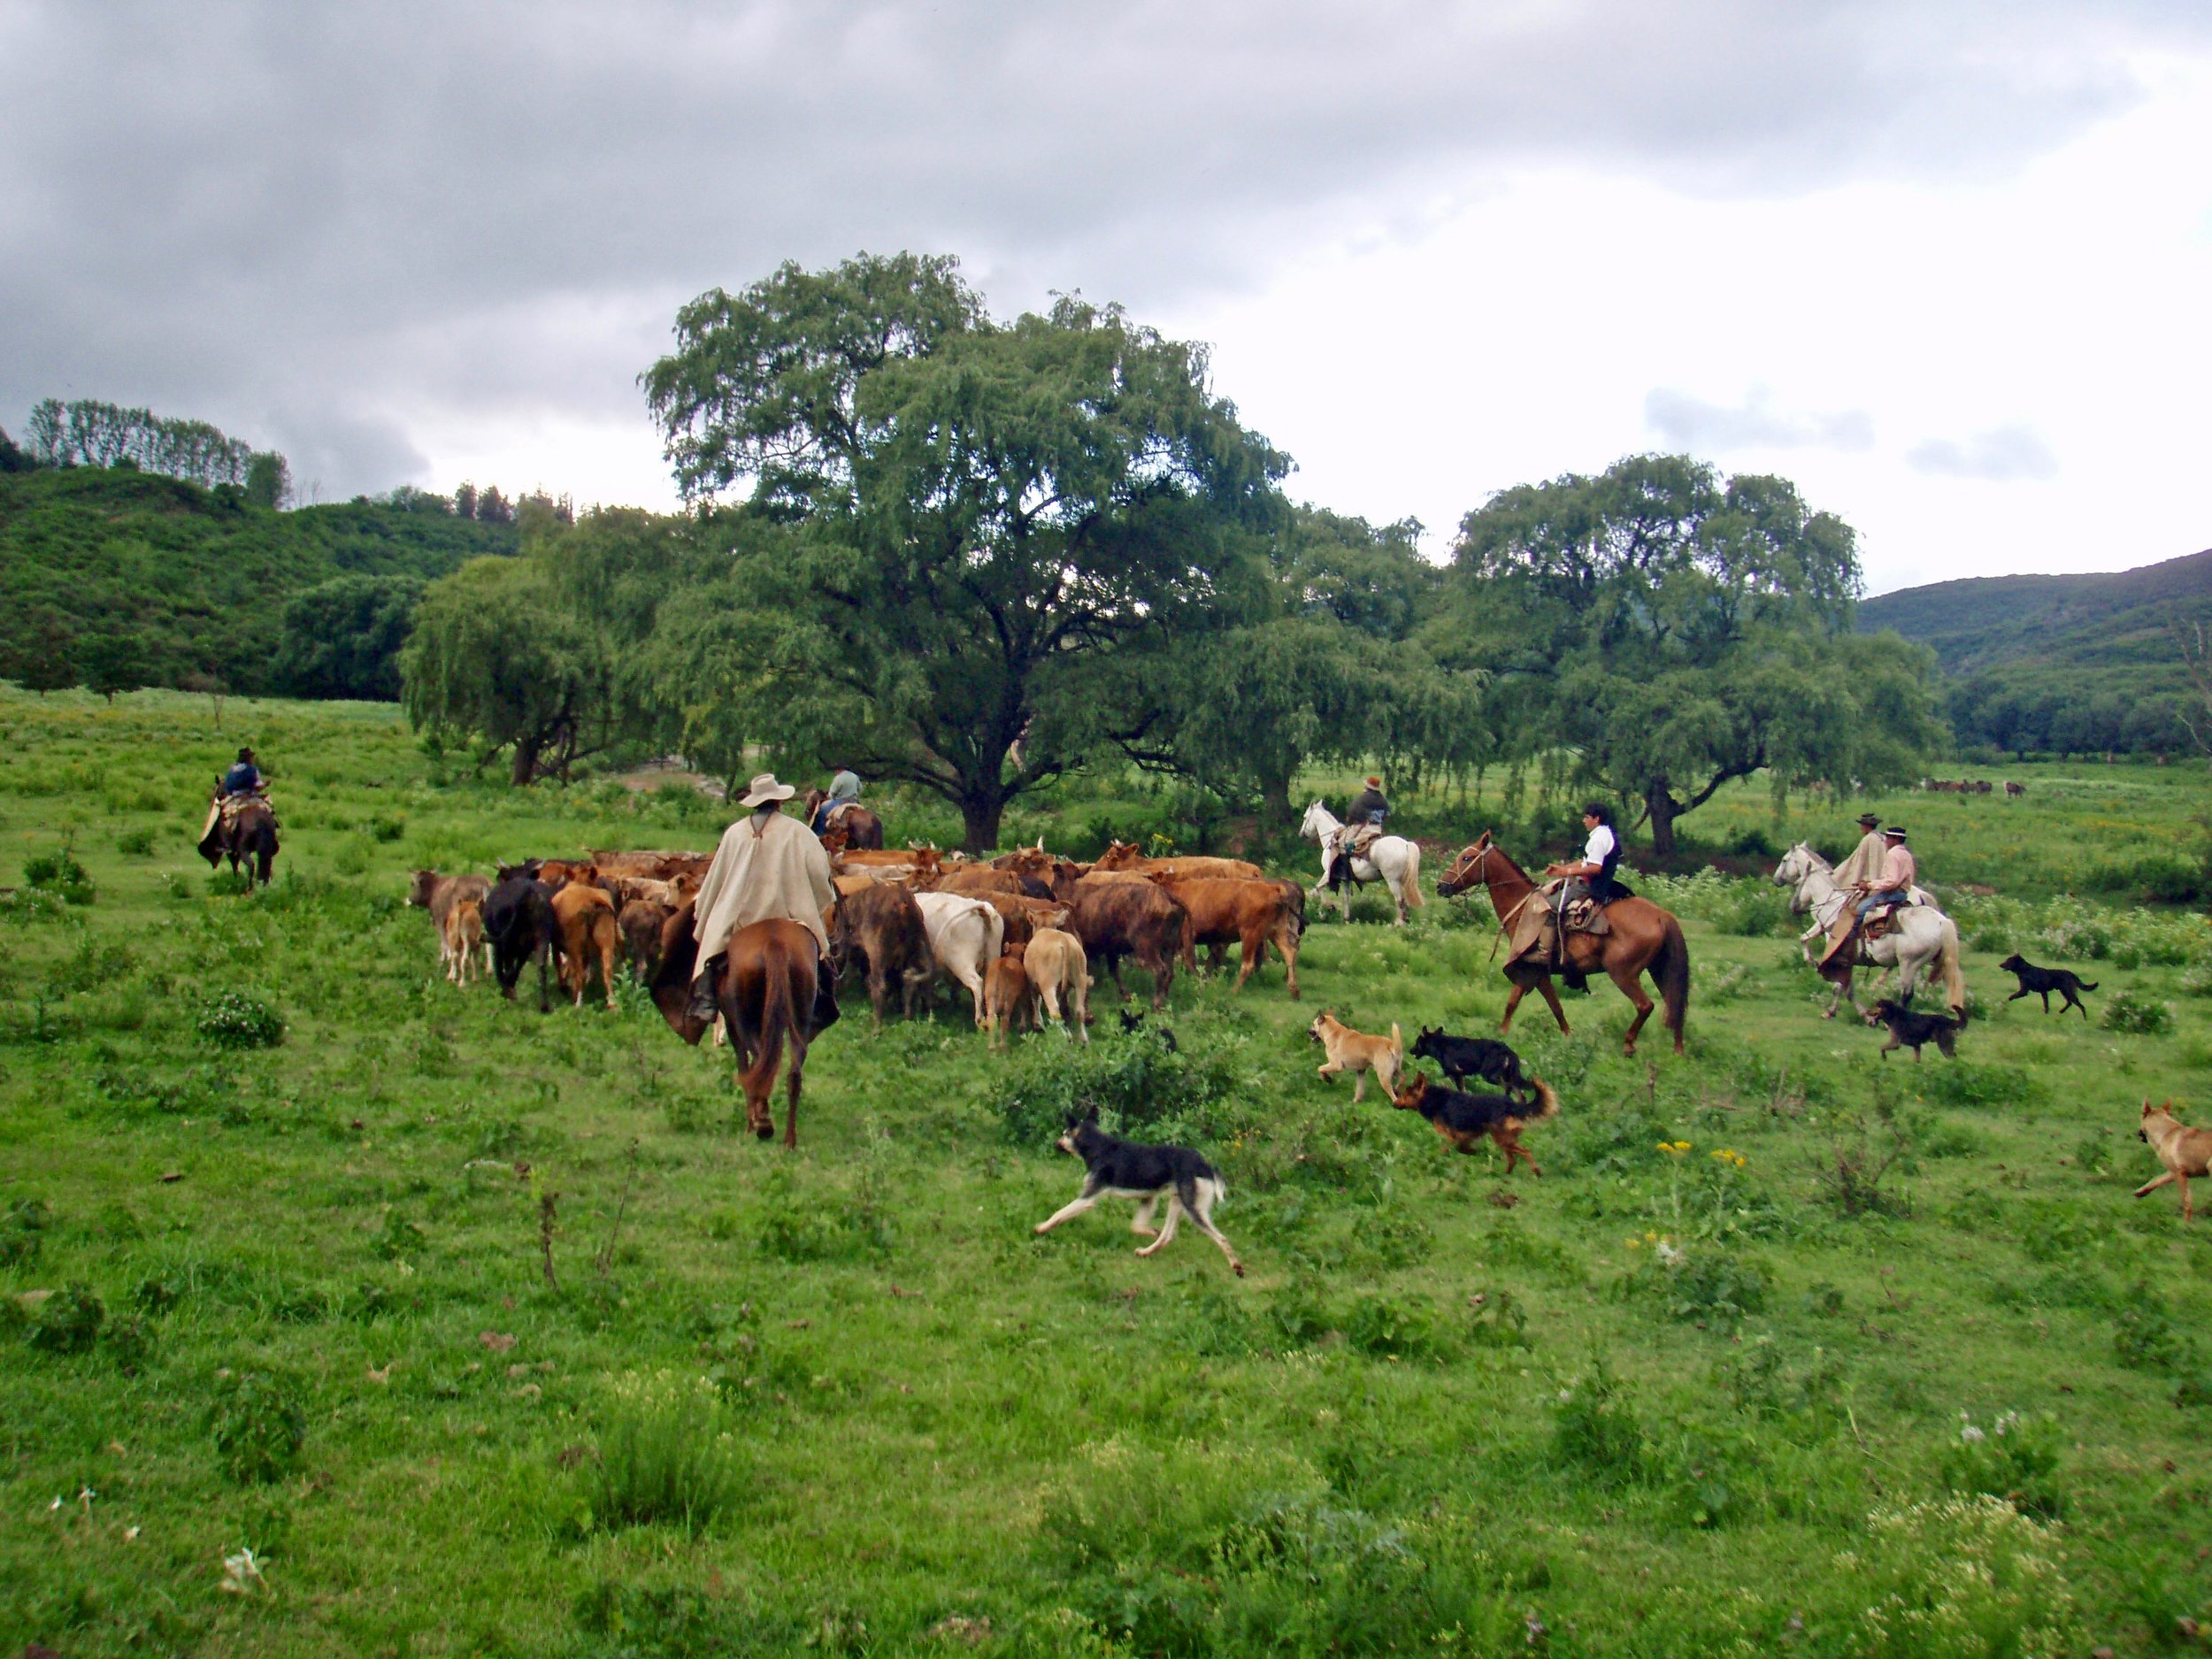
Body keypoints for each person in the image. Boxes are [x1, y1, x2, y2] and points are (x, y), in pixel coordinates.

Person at [687, 773, 841, 1030]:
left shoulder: (734, 833)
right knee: (820, 953)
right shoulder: (799, 832)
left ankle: (707, 999)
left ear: (754, 801)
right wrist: (817, 896)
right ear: (779, 801)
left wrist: (707, 906)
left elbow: (717, 877)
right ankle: (822, 1000)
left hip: (739, 917)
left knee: (712, 948)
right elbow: (818, 872)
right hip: (789, 913)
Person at [1822, 825, 1916, 970]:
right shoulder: (1907, 855)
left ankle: (1847, 949)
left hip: (1892, 893)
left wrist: (1869, 885)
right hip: (1903, 893)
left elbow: (1892, 881)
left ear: (1896, 839)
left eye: (1889, 838)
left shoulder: (1892, 854)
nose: (1886, 840)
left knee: (1858, 910)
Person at [1546, 803, 1624, 908]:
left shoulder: (1599, 839)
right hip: (1596, 883)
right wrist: (1561, 869)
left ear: (1596, 819)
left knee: (1550, 905)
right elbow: (1585, 863)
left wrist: (1568, 871)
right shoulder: (1604, 834)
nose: (1584, 821)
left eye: (1587, 817)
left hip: (1592, 887)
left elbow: (1595, 868)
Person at [1330, 776, 1389, 888]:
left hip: (1366, 828)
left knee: (1347, 844)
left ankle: (1344, 873)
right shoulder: (1383, 800)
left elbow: (1352, 813)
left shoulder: (1364, 799)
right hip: (1378, 828)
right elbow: (1387, 815)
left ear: (1368, 786)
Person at [201, 746, 270, 841]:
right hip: (251, 795)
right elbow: (257, 787)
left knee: (220, 813)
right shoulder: (253, 769)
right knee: (268, 808)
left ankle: (218, 841)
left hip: (234, 797)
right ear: (249, 758)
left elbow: (228, 785)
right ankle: (272, 835)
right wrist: (266, 785)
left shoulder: (232, 769)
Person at [1832, 810, 1886, 889]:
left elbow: (1860, 861)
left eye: (1862, 825)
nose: (1861, 828)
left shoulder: (1867, 839)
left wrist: (1856, 881)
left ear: (1867, 826)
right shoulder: (1883, 838)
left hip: (1871, 880)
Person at [812, 764, 862, 834]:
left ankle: (820, 833)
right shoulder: (855, 776)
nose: (835, 772)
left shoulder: (838, 778)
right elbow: (859, 788)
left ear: (839, 769)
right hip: (853, 800)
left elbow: (831, 794)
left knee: (822, 812)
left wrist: (830, 796)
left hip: (840, 801)